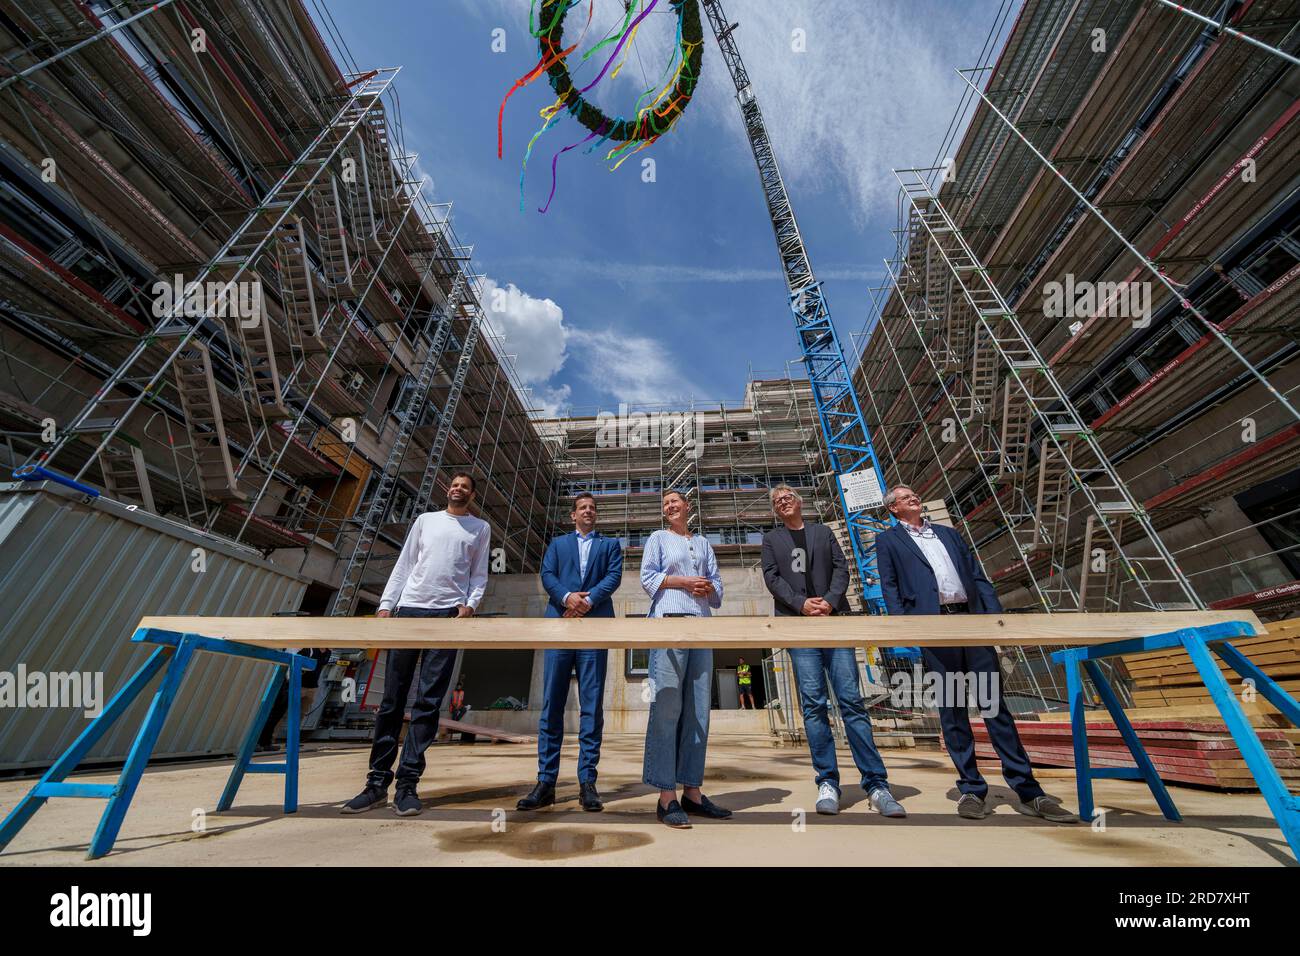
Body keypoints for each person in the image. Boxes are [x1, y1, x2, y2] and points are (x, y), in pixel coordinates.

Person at [875, 484, 1076, 823]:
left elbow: (977, 576)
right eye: (904, 497)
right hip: (937, 630)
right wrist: (905, 629)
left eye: (914, 494)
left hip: (970, 621)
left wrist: (992, 616)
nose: (913, 497)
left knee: (993, 707)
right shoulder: (888, 541)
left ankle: (1028, 790)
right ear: (894, 509)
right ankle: (971, 787)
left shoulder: (948, 534)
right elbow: (889, 585)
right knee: (953, 711)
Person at [340, 472, 490, 817]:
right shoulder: (425, 520)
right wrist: (384, 606)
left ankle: (407, 786)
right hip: (408, 611)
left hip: (448, 617)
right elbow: (405, 564)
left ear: (471, 495)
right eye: (454, 484)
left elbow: (479, 574)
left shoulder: (479, 529)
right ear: (446, 489)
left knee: (428, 703)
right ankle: (376, 783)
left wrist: (471, 605)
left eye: (465, 487)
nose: (458, 489)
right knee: (392, 699)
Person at [760, 483, 906, 818]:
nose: (782, 502)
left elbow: (841, 569)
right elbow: (771, 578)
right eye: (776, 501)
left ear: (799, 503)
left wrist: (828, 601)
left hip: (834, 622)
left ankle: (876, 784)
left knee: (851, 702)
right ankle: (827, 781)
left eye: (787, 497)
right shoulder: (772, 540)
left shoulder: (823, 533)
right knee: (813, 705)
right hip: (799, 627)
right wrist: (800, 603)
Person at [518, 492, 624, 812]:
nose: (588, 511)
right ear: (573, 515)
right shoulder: (557, 544)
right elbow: (547, 575)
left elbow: (613, 577)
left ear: (596, 515)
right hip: (560, 626)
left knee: (591, 705)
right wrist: (567, 598)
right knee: (552, 703)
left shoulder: (610, 546)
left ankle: (587, 782)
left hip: (594, 628)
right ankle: (546, 782)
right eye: (582, 508)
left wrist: (587, 601)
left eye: (592, 508)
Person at [640, 490, 732, 829]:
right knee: (667, 708)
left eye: (674, 501)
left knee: (698, 710)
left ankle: (692, 791)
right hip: (668, 622)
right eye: (664, 503)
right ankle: (666, 797)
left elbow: (719, 591)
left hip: (702, 626)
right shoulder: (657, 538)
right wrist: (683, 581)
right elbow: (647, 578)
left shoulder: (704, 543)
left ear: (687, 507)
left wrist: (706, 587)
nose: (669, 505)